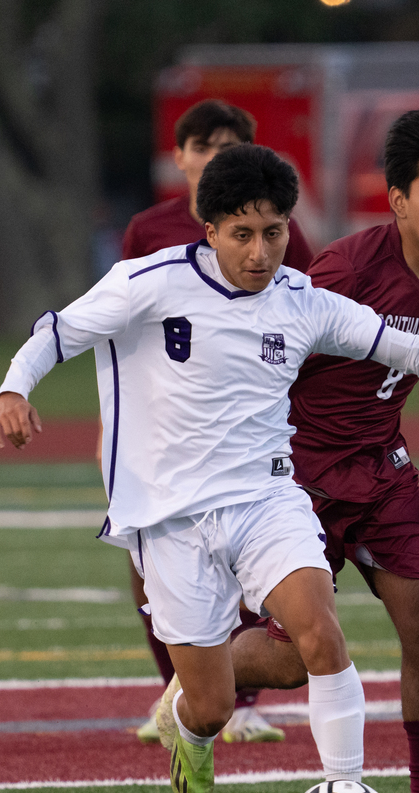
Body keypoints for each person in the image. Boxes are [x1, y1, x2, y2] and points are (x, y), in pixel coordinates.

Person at [0, 143, 419, 793]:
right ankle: (192, 729)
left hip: (268, 499)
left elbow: (412, 349)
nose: (260, 253)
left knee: (321, 636)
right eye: (243, 235)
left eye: (274, 233)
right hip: (170, 517)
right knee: (214, 701)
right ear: (211, 230)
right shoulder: (152, 281)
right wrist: (14, 391)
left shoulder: (303, 301)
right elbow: (58, 330)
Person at [228, 103, 419, 793]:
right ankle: (201, 677)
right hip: (300, 478)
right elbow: (269, 360)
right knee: (289, 657)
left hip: (382, 472)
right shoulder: (344, 270)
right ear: (398, 198)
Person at [121, 98, 314, 745]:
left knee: (251, 563)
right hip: (158, 429)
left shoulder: (280, 232)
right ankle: (177, 691)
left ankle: (240, 696)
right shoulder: (149, 230)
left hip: (248, 434)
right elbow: (120, 337)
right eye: (201, 146)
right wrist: (108, 429)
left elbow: (307, 322)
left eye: (228, 147)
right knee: (151, 561)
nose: (213, 158)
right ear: (178, 157)